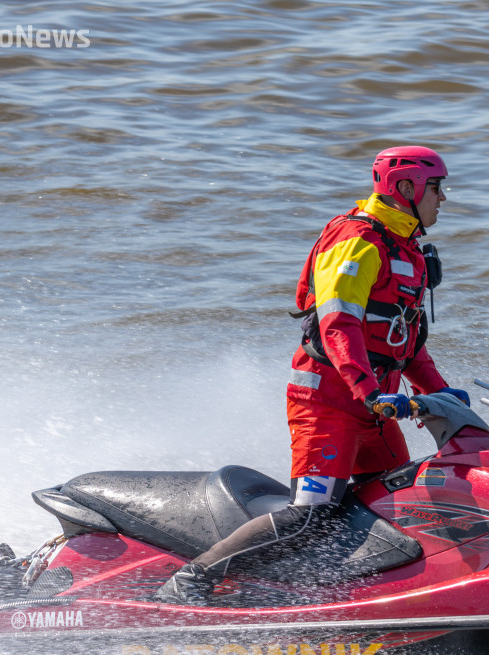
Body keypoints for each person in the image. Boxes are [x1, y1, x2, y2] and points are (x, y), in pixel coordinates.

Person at [155, 145, 470, 605]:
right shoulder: (358, 240)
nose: (443, 199)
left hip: (376, 408)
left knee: (391, 506)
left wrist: (443, 399)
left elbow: (408, 345)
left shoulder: (408, 250)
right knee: (312, 513)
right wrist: (366, 391)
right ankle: (192, 579)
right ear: (407, 188)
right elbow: (337, 323)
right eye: (437, 188)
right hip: (329, 401)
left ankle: (352, 595)